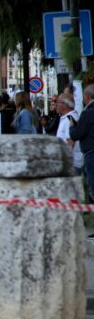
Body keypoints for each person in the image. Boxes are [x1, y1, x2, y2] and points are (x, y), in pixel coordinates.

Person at [70, 85, 94, 240]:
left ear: (87, 97)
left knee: (93, 189)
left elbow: (78, 133)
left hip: (91, 153)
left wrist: (73, 127)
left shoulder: (88, 112)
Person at [55, 93, 83, 175]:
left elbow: (71, 141)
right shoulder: (68, 117)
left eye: (58, 102)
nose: (56, 105)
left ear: (65, 105)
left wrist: (63, 160)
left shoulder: (69, 119)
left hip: (71, 163)